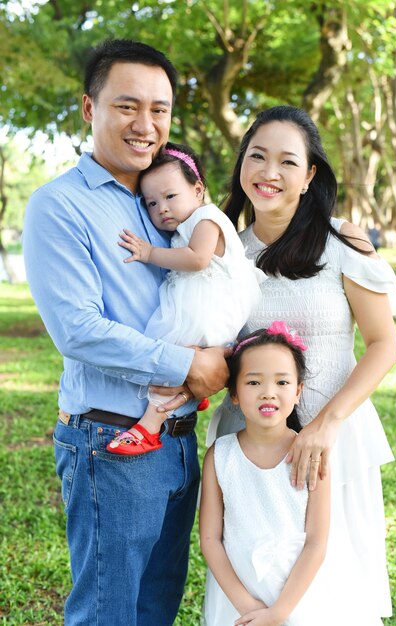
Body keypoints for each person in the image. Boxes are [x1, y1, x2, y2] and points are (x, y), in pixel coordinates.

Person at [22, 39, 229, 626]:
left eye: (159, 109)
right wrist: (188, 365)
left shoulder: (163, 202)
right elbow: (78, 330)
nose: (146, 124)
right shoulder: (59, 206)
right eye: (127, 106)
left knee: (156, 607)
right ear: (91, 109)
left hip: (179, 442)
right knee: (109, 614)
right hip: (111, 443)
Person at [206, 105, 396, 618]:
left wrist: (324, 426)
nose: (270, 173)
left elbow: (385, 344)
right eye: (257, 156)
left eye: (288, 162)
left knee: (335, 587)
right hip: (254, 451)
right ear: (241, 164)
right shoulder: (225, 255)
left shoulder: (343, 241)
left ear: (310, 174)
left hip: (334, 440)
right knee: (255, 578)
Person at [200, 323, 384, 626]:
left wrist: (279, 612)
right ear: (233, 393)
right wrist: (246, 605)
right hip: (240, 590)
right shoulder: (220, 456)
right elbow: (210, 538)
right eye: (254, 383)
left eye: (282, 383)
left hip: (304, 590)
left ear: (298, 391)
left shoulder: (311, 455)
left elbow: (316, 542)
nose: (268, 393)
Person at [106, 142, 264, 455]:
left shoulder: (206, 218)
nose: (161, 208)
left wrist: (150, 253)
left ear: (197, 189)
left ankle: (148, 428)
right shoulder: (187, 225)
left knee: (168, 353)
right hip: (206, 309)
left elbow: (197, 259)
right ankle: (191, 394)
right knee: (176, 360)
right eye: (151, 203)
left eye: (170, 196)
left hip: (211, 311)